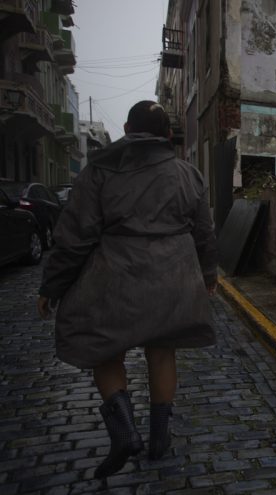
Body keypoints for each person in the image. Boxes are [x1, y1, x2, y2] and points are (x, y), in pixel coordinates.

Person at [37, 100, 218, 478]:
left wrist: (54, 285)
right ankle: (159, 440)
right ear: (168, 135)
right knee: (163, 351)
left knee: (106, 353)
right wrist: (209, 274)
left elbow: (73, 237)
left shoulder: (99, 172)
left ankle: (124, 432)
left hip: (115, 279)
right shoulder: (189, 175)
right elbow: (204, 232)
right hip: (174, 280)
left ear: (126, 128)